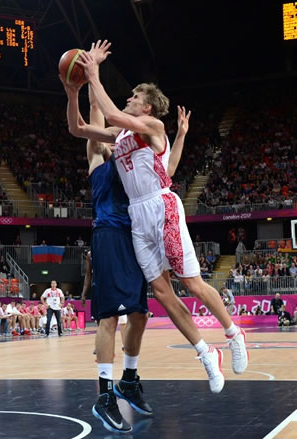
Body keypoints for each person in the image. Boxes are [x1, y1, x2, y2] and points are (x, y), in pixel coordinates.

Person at [68, 40, 248, 396]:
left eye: (133, 96)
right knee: (162, 292)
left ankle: (232, 332)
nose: (128, 99)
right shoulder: (119, 137)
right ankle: (206, 352)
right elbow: (79, 129)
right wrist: (71, 88)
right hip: (137, 215)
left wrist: (94, 74)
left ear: (146, 105)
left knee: (191, 283)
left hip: (161, 206)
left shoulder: (150, 125)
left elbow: (117, 116)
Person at [61, 41, 194, 433]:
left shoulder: (130, 153)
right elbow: (83, 124)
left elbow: (166, 168)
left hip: (137, 233)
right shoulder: (99, 155)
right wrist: (81, 84)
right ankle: (104, 396)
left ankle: (129, 380)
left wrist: (181, 135)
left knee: (139, 314)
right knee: (109, 318)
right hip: (108, 235)